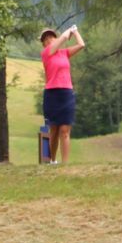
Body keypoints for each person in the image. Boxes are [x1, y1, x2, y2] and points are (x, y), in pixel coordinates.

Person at [39, 24, 84, 165]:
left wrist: (75, 31)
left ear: (55, 37)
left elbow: (81, 44)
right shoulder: (46, 53)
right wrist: (68, 31)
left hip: (66, 93)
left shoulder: (64, 53)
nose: (49, 40)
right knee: (53, 130)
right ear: (43, 43)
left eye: (51, 37)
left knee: (65, 130)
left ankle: (65, 164)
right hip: (52, 94)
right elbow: (64, 37)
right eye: (45, 39)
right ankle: (52, 160)